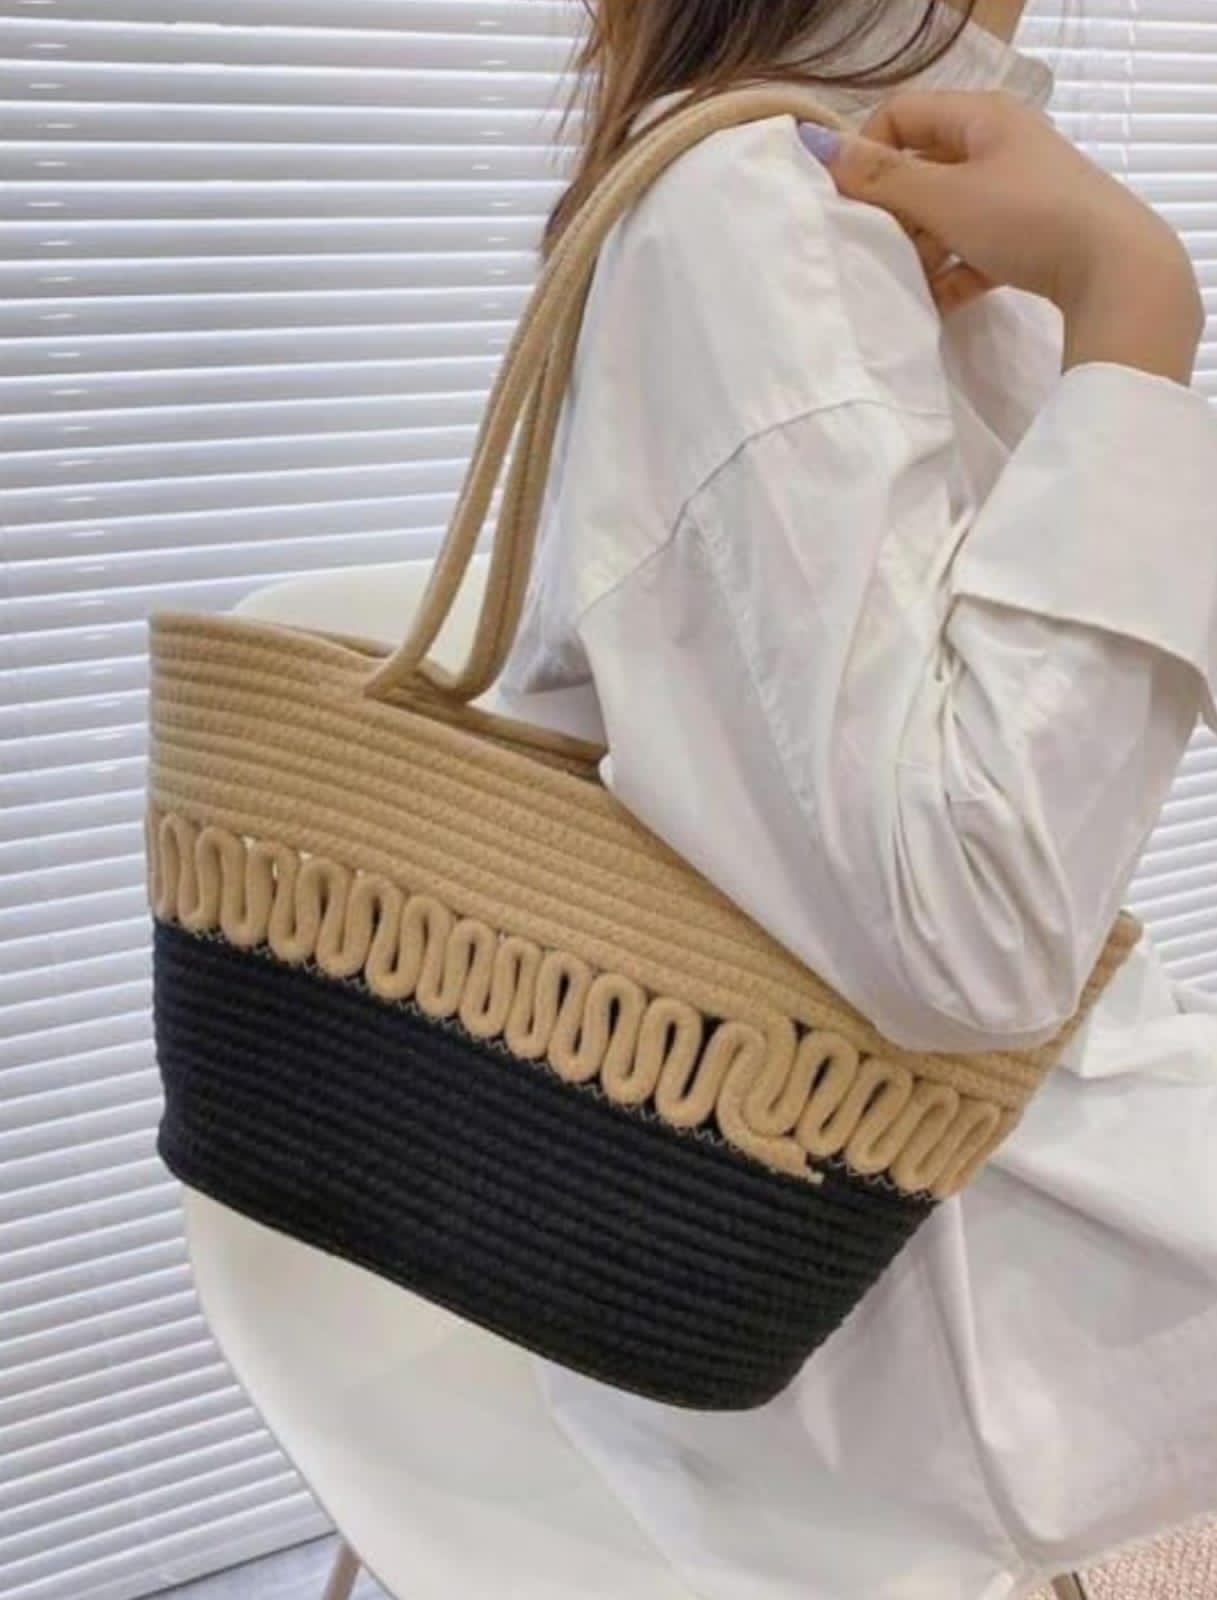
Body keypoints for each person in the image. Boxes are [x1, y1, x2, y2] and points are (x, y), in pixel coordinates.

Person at [490, 0, 1217, 1594]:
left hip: (888, 1158)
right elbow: (973, 931)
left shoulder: (886, 189)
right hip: (855, 1263)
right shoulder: (766, 211)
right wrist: (1130, 306)